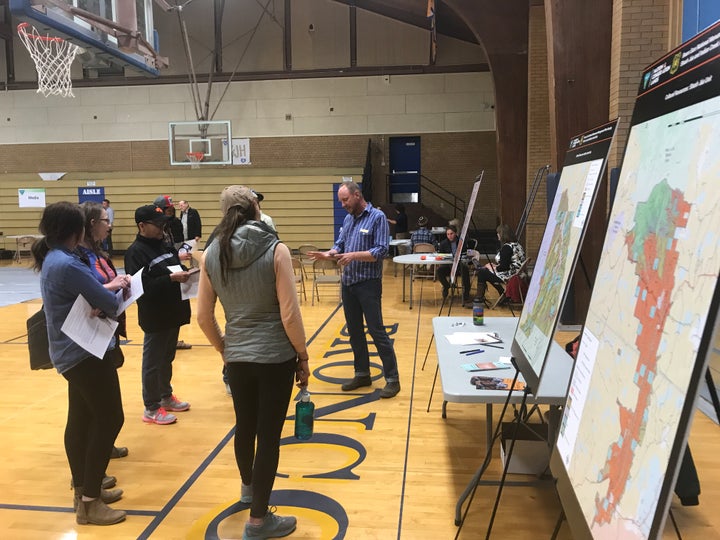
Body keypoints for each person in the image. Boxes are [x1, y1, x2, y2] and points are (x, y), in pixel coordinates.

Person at [196, 185, 309, 539]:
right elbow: (289, 315)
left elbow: (203, 316)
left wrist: (225, 349)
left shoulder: (212, 253)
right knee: (269, 437)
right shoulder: (276, 249)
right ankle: (258, 521)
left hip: (238, 358)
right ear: (256, 210)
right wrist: (302, 356)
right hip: (275, 357)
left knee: (244, 425)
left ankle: (248, 490)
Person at [31, 201, 128, 526]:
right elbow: (109, 304)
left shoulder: (54, 258)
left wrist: (101, 297)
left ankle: (84, 491)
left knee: (82, 419)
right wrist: (112, 296)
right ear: (77, 230)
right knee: (110, 418)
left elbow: (94, 297)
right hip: (84, 352)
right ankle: (90, 500)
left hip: (70, 350)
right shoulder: (68, 264)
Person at [308, 181, 400, 399]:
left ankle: (392, 379)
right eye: (341, 200)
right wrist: (328, 254)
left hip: (368, 284)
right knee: (355, 332)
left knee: (377, 331)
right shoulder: (349, 219)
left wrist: (354, 255)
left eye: (345, 199)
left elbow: (380, 251)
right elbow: (340, 244)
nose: (342, 204)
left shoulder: (377, 217)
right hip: (348, 285)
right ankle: (362, 374)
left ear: (357, 195)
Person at [124, 204, 192, 425]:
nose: (163, 228)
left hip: (173, 310)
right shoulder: (135, 252)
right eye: (158, 224)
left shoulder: (164, 244)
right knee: (153, 362)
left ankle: (165, 396)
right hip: (155, 315)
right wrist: (171, 279)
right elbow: (141, 288)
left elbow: (174, 266)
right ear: (142, 226)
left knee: (167, 357)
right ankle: (151, 407)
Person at [77, 201, 130, 466]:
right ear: (90, 225)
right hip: (88, 337)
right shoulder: (77, 257)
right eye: (104, 220)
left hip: (107, 333)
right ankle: (89, 473)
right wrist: (111, 286)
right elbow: (87, 292)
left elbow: (105, 284)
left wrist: (121, 284)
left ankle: (102, 445)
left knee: (100, 405)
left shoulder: (98, 253)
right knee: (92, 407)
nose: (109, 224)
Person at [153, 195, 193, 350]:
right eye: (168, 209)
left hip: (174, 268)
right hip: (164, 274)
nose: (171, 212)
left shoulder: (169, 226)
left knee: (177, 305)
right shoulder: (157, 230)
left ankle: (173, 339)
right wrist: (178, 256)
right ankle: (166, 340)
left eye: (172, 209)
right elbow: (160, 255)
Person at [469, 223, 526, 303]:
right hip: (518, 274)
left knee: (482, 272)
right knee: (486, 271)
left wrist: (491, 267)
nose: (497, 234)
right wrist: (495, 266)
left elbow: (503, 268)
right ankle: (502, 294)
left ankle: (479, 298)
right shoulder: (517, 245)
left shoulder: (507, 247)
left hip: (510, 275)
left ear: (502, 235)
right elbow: (508, 263)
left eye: (498, 233)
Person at [436, 225, 471, 304]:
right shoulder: (443, 243)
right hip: (448, 266)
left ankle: (466, 293)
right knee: (439, 271)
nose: (449, 236)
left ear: (455, 233)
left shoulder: (461, 242)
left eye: (451, 234)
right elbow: (440, 255)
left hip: (459, 265)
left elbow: (465, 254)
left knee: (465, 269)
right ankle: (446, 286)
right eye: (448, 234)